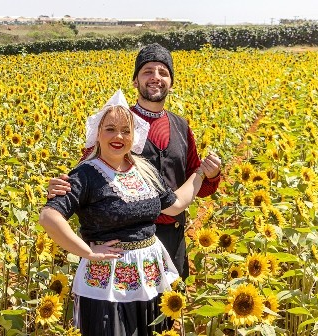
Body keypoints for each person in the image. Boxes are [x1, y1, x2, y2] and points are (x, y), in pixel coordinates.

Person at [39, 90, 208, 336]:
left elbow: (175, 205)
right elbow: (49, 217)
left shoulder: (144, 170)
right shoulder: (85, 174)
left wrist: (201, 172)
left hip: (150, 277)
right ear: (97, 133)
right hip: (107, 283)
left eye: (126, 131)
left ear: (134, 136)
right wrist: (87, 251)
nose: (118, 136)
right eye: (110, 129)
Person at [47, 43, 222, 279]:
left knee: (166, 311)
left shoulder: (181, 126)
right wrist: (59, 189)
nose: (156, 78)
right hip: (120, 241)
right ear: (135, 81)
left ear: (171, 82)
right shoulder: (117, 122)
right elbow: (86, 171)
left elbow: (196, 184)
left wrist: (209, 174)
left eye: (163, 72)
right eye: (147, 71)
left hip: (172, 235)